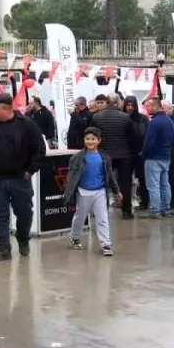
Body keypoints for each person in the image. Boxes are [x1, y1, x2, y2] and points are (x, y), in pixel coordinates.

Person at [0, 93, 45, 261]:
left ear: (5, 108)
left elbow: (39, 148)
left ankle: (23, 237)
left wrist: (30, 171)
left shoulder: (26, 124)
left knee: (25, 213)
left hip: (20, 178)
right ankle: (3, 247)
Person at [64, 127, 119, 257]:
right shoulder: (77, 158)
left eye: (93, 139)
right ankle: (74, 236)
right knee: (80, 216)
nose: (90, 141)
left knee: (102, 218)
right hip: (83, 192)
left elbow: (110, 175)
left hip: (100, 192)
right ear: (84, 140)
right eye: (87, 139)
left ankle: (106, 244)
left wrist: (116, 190)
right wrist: (69, 192)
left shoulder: (104, 157)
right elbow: (71, 177)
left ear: (99, 140)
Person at [90, 93, 135, 220]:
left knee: (102, 183)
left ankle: (101, 211)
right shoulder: (125, 117)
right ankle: (126, 211)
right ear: (118, 102)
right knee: (125, 184)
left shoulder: (97, 117)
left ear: (107, 102)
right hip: (123, 154)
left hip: (104, 154)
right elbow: (133, 136)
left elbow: (92, 135)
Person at [141, 97, 174, 219]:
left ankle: (155, 210)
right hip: (166, 157)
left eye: (148, 106)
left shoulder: (154, 122)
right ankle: (165, 209)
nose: (147, 108)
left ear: (156, 106)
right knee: (164, 184)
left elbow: (149, 142)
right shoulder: (169, 121)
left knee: (153, 185)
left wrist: (143, 154)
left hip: (153, 158)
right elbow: (173, 140)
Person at [124, 96, 149, 211]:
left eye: (131, 105)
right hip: (126, 152)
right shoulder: (123, 117)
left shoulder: (142, 119)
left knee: (143, 179)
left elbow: (144, 134)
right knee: (125, 180)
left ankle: (144, 202)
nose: (130, 108)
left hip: (139, 152)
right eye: (127, 105)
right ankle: (126, 203)